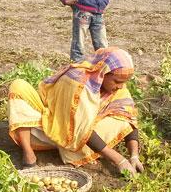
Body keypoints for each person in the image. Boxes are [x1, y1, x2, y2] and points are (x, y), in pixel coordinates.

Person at [7, 47, 142, 175]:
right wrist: (119, 160)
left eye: (123, 83)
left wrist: (134, 156)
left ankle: (83, 150)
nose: (120, 87)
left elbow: (128, 116)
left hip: (79, 139)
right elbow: (81, 129)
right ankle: (29, 153)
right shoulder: (78, 83)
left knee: (122, 116)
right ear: (103, 73)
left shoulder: (117, 87)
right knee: (18, 86)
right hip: (49, 129)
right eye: (117, 82)